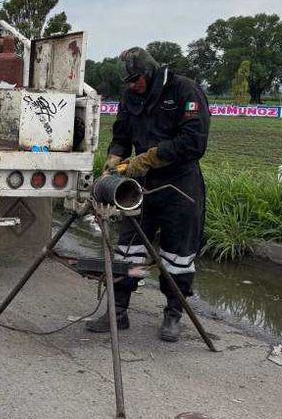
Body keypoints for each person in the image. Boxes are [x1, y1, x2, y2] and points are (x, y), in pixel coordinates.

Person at [87, 47, 210, 342]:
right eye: (127, 82)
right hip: (139, 187)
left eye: (135, 80)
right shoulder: (130, 97)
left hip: (179, 185)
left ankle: (173, 315)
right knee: (128, 248)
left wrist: (148, 158)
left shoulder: (185, 91)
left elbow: (194, 143)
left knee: (177, 254)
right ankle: (117, 312)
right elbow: (121, 135)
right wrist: (114, 160)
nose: (131, 86)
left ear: (149, 72)